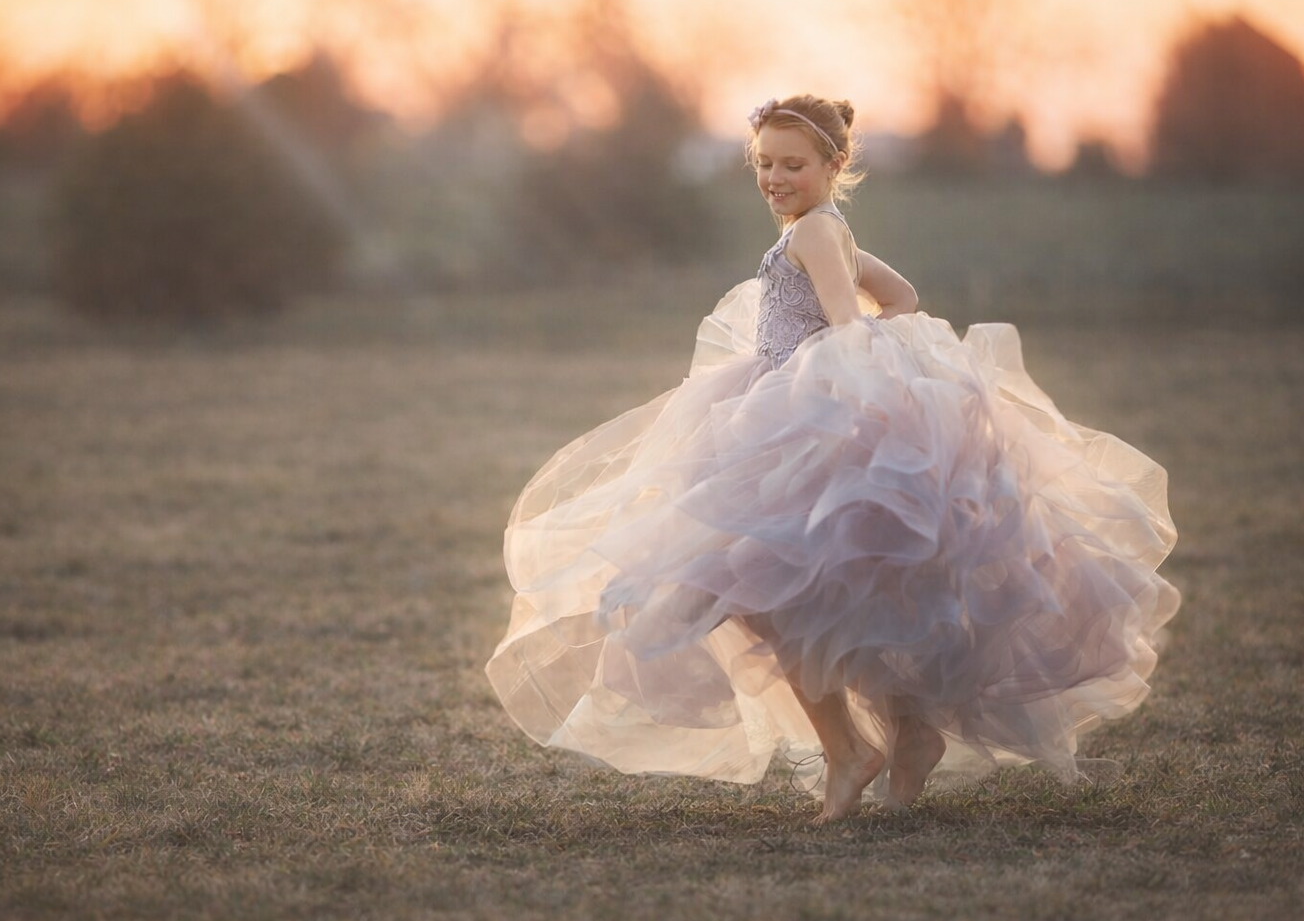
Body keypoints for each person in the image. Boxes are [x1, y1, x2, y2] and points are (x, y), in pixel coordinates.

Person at [483, 93, 1182, 823]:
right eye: (763, 164)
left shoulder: (815, 234)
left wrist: (831, 387)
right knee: (825, 592)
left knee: (749, 585)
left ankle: (855, 749)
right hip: (787, 411)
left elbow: (850, 326)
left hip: (795, 420)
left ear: (833, 164)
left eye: (793, 164)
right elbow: (902, 297)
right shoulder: (827, 229)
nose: (775, 178)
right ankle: (903, 734)